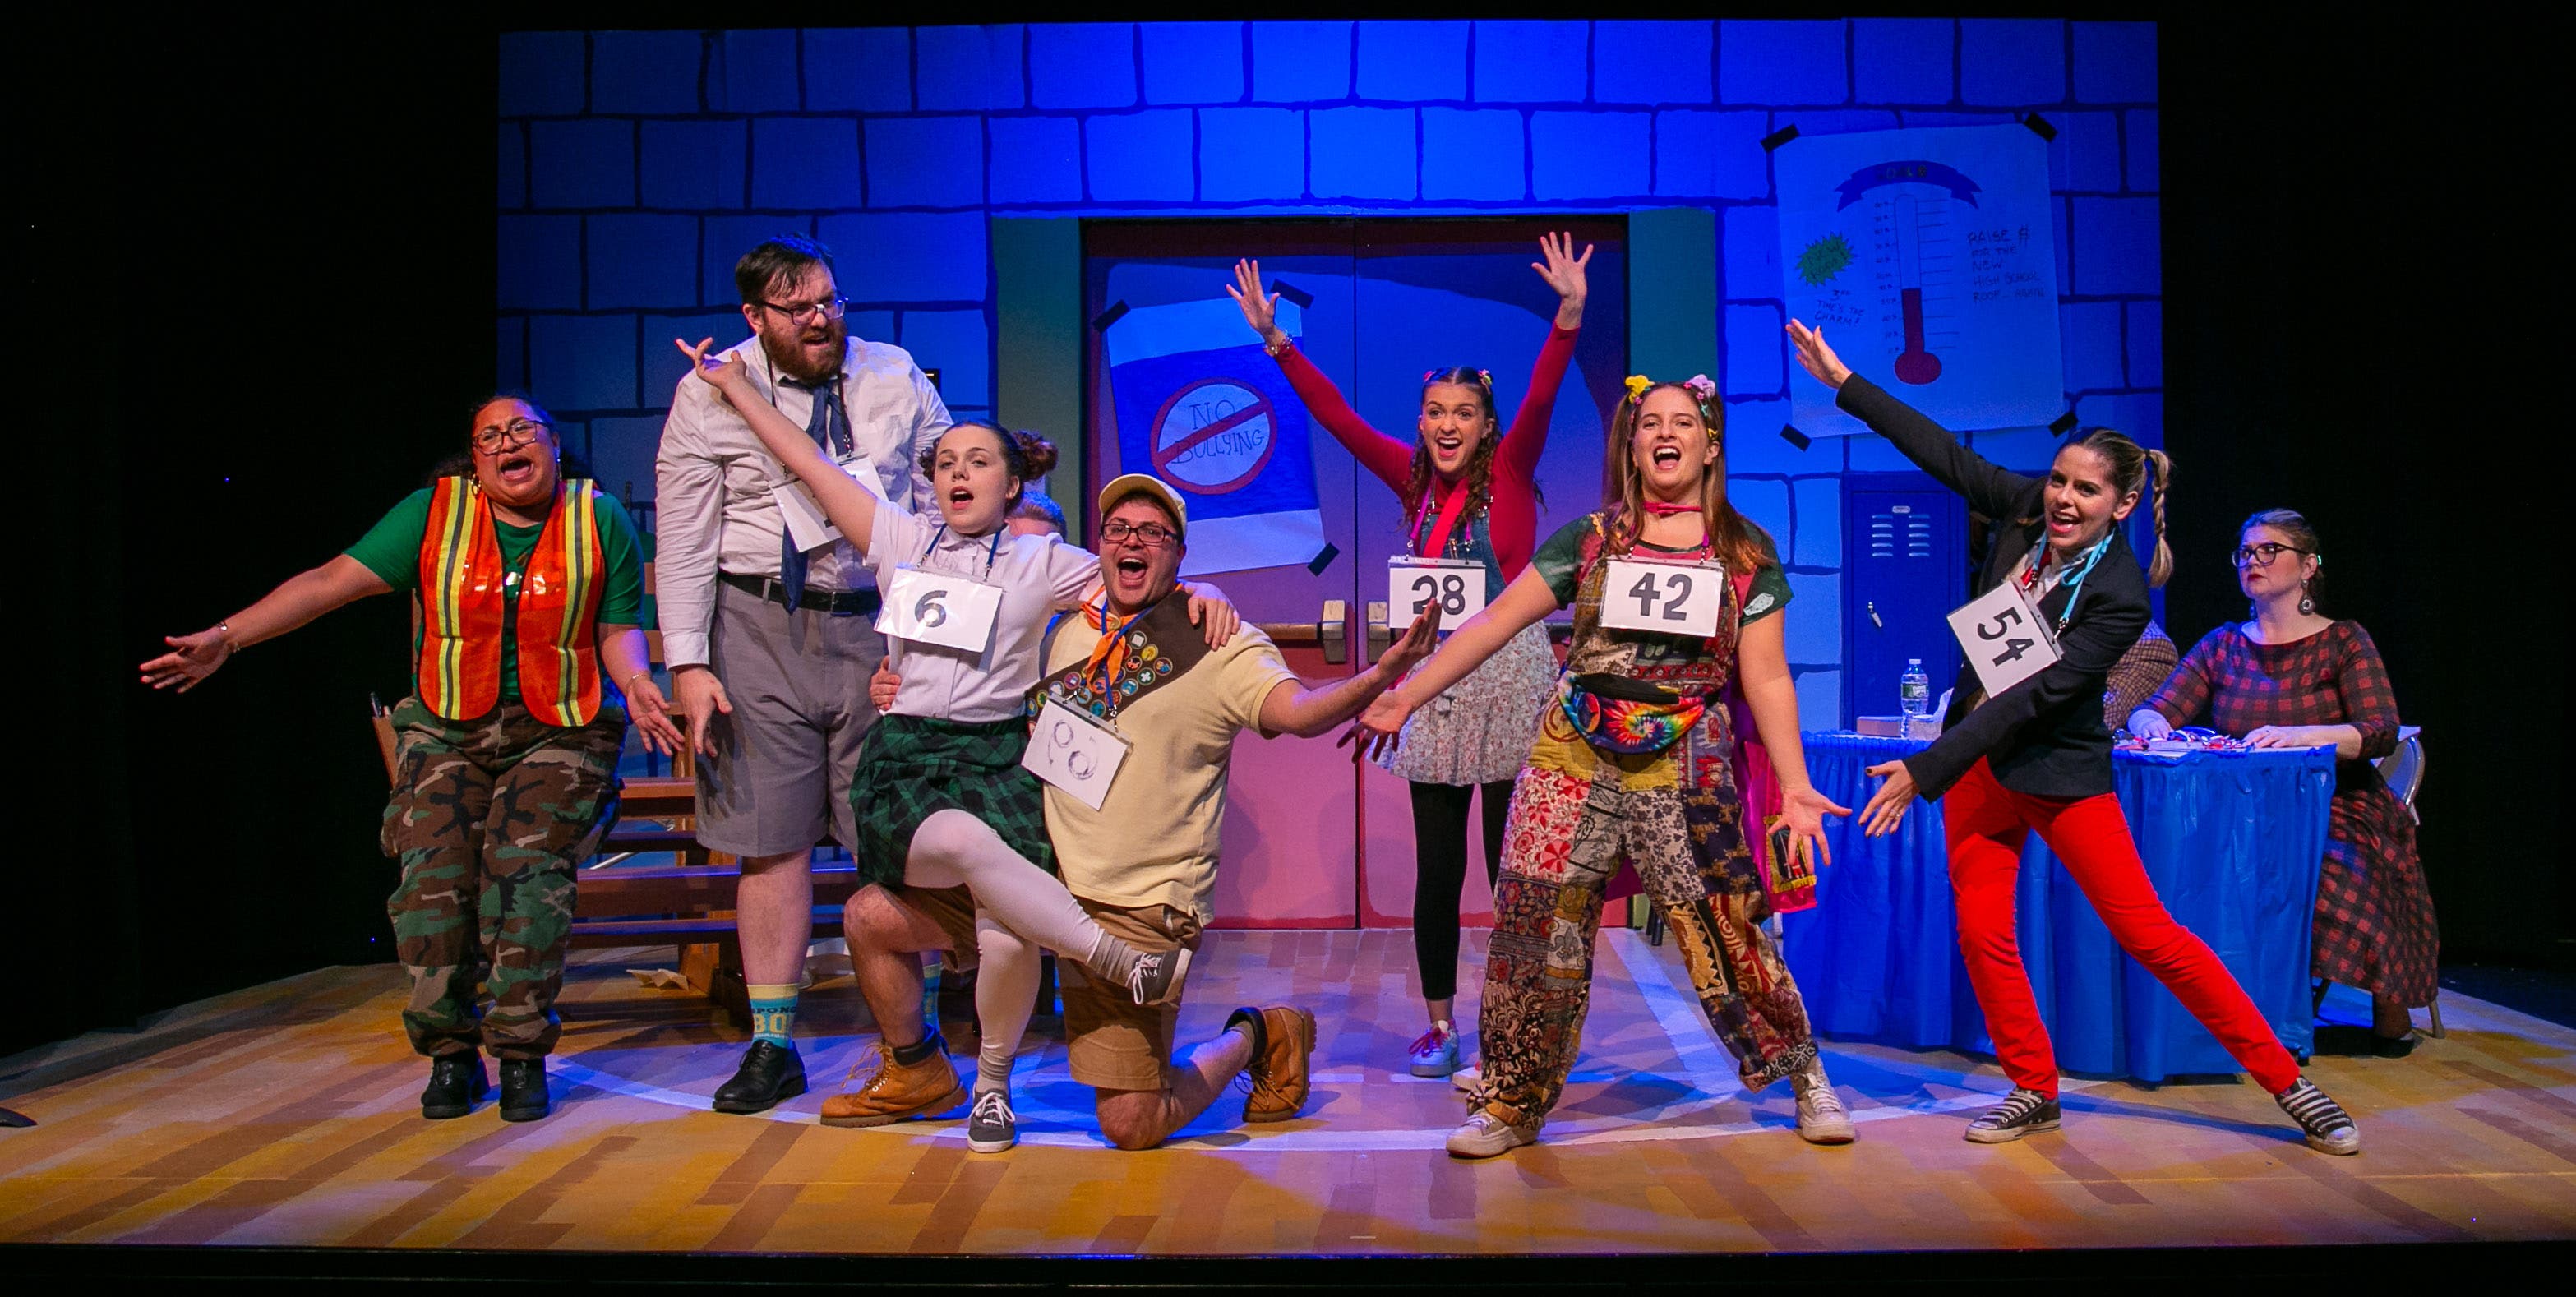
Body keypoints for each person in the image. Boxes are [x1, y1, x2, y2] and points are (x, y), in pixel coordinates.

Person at [1787, 319, 2363, 1156]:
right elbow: (1937, 450)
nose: (2061, 499)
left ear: (2121, 505)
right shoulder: (2024, 512)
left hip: (2057, 772)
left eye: (2084, 491)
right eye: (2058, 481)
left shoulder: (2120, 595)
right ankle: (2033, 1089)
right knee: (1982, 931)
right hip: (1981, 762)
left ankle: (2289, 1083)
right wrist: (1846, 384)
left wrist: (1925, 767)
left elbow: (2037, 697)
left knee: (2149, 935)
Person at [672, 336, 1238, 1135]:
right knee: (965, 848)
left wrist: (1205, 588)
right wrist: (735, 386)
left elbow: (1139, 575)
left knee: (1004, 926)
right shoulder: (902, 542)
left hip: (996, 761)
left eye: (977, 462)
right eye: (944, 463)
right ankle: (1111, 958)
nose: (957, 473)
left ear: (1012, 485)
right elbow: (807, 461)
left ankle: (990, 1089)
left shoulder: (1042, 560)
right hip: (908, 765)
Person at [839, 477, 1445, 1151]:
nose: (1133, 541)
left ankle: (1259, 1036)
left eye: (1153, 532)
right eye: (1118, 530)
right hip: (1034, 875)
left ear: (1180, 553)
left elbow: (1299, 713)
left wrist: (1380, 677)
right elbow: (973, 686)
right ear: (1099, 547)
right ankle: (919, 1070)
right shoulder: (1061, 629)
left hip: (1134, 906)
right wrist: (894, 682)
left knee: (1132, 1123)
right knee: (869, 918)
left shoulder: (1220, 641)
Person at [1350, 376, 1855, 1158]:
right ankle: (1511, 1099)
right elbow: (1493, 621)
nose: (1665, 433)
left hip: (1685, 757)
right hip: (1573, 749)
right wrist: (1404, 696)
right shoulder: (1589, 540)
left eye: (1682, 422)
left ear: (1710, 445)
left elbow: (1767, 676)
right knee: (1534, 924)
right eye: (1650, 423)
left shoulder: (1745, 552)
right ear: (1631, 444)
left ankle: (1803, 1073)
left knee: (1724, 923)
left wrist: (1794, 786)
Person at [141, 397, 683, 1123]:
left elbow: (617, 629)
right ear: (475, 460)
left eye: (522, 429)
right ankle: (450, 1051)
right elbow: (329, 583)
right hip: (447, 726)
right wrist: (227, 636)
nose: (507, 443)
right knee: (433, 879)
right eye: (489, 436)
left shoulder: (597, 518)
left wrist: (639, 683)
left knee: (526, 875)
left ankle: (521, 1053)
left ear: (554, 445)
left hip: (561, 729)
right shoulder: (435, 515)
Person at [1226, 233, 1590, 1078]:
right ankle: (1440, 1023)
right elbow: (1338, 419)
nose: (1446, 425)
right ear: (1421, 422)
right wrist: (1276, 342)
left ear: (1486, 425)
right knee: (1439, 868)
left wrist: (1569, 316)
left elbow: (1541, 395)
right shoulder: (1411, 481)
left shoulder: (1511, 469)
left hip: (1512, 678)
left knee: (1513, 868)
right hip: (1433, 684)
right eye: (1434, 412)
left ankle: (1518, 1017)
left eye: (1463, 413)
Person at [655, 234, 949, 1114]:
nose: (821, 320)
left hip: (876, 625)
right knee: (770, 839)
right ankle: (772, 1043)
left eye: (830, 301)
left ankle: (914, 1040)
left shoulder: (894, 374)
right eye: (799, 309)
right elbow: (684, 535)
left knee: (893, 840)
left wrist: (932, 639)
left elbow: (941, 506)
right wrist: (687, 663)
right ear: (755, 316)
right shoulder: (708, 392)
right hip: (756, 625)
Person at [2129, 510, 2433, 1057]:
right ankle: (2218, 1008)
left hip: (2334, 804)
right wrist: (2149, 722)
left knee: (2328, 869)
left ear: (2308, 566)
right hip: (2241, 810)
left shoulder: (2343, 641)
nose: (2254, 560)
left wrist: (2300, 735)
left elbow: (2380, 731)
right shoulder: (2224, 645)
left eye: (2270, 550)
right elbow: (2156, 707)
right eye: (2246, 552)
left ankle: (2384, 1009)